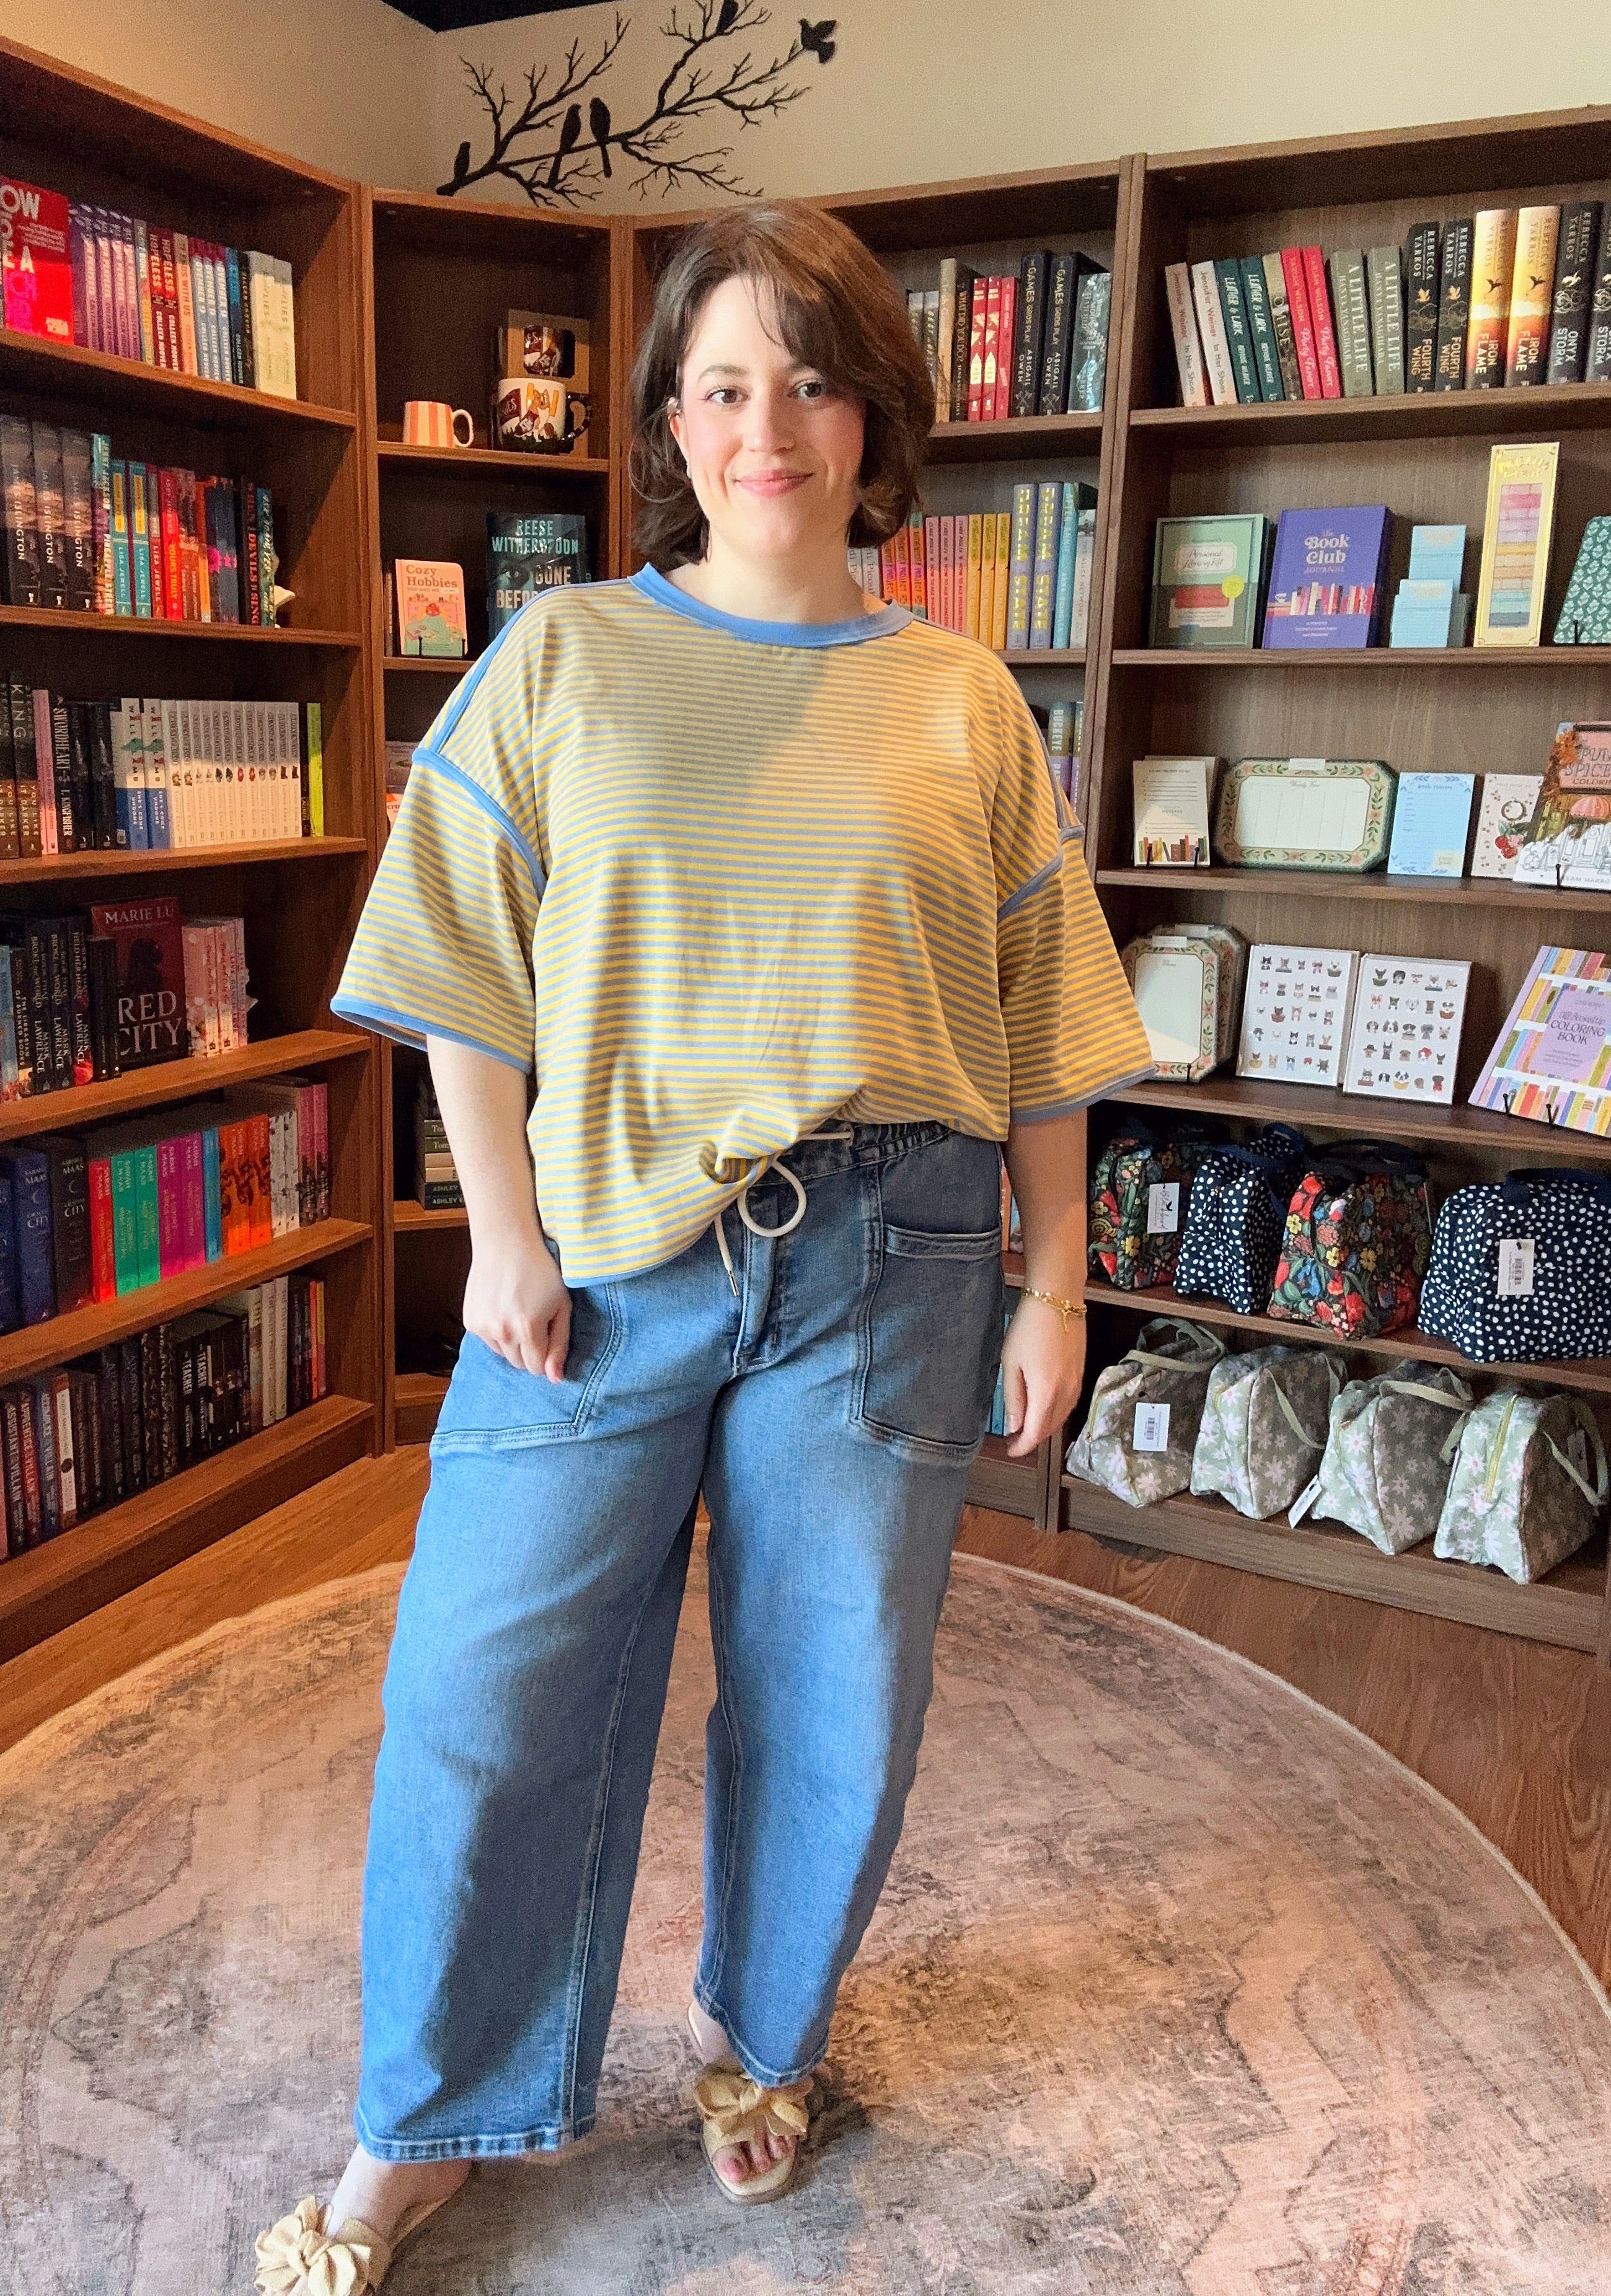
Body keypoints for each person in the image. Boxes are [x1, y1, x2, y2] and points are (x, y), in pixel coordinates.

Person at [255, 199, 1149, 2294]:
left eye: (815, 380)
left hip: (898, 1256)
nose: (772, 425)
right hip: (605, 1258)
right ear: (673, 417)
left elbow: (1040, 1022)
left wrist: (1056, 1275)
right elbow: (457, 970)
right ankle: (436, 2116)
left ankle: (764, 2039)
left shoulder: (964, 703)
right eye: (729, 383)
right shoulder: (564, 654)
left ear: (876, 423)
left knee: (838, 1688)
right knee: (485, 1686)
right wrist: (495, 1233)